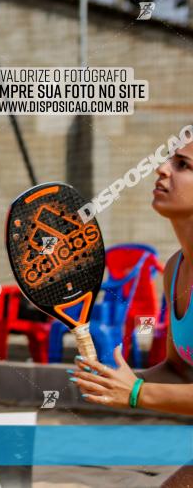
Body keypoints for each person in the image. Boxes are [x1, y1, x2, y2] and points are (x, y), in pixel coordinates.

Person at [70, 133, 193, 487]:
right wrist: (115, 381)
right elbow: (181, 371)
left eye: (182, 165)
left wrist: (137, 394)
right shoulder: (175, 269)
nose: (161, 168)